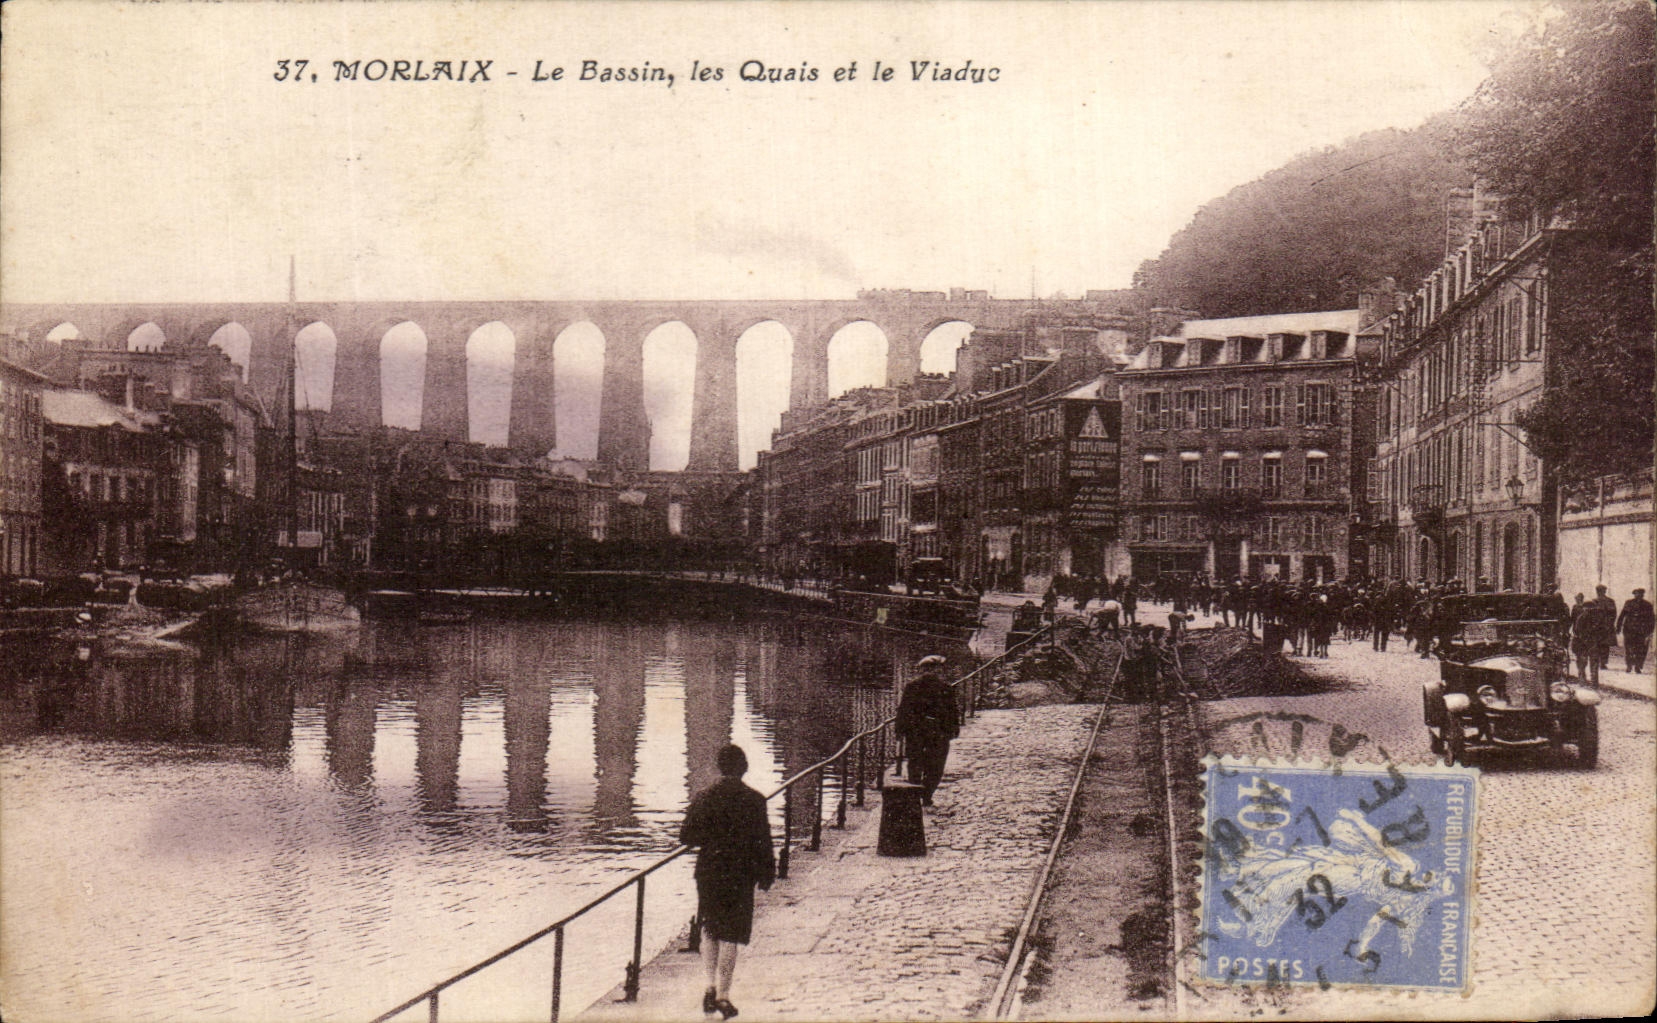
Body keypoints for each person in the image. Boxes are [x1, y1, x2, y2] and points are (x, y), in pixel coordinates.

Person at [680, 744, 776, 1020]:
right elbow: (764, 841)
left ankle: (709, 985)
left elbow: (686, 836)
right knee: (731, 933)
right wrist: (767, 873)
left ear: (719, 768)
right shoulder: (754, 799)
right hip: (740, 874)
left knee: (709, 927)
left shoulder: (705, 796)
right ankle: (724, 994)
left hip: (709, 870)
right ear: (743, 768)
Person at [896, 654, 961, 806]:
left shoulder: (912, 686)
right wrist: (954, 728)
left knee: (915, 762)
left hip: (916, 731)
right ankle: (926, 795)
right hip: (937, 732)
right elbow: (953, 711)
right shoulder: (945, 688)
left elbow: (903, 710)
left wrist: (900, 730)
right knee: (936, 765)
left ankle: (915, 794)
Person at [1617, 588, 1653, 674]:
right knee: (1628, 648)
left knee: (1640, 649)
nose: (1639, 595)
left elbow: (1652, 619)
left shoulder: (1648, 605)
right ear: (1634, 594)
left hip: (1641, 631)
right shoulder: (1629, 603)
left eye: (1640, 594)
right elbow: (1622, 615)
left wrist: (1650, 631)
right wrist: (1618, 627)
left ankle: (1638, 666)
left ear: (1643, 595)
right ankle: (1629, 665)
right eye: (1637, 594)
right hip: (1629, 629)